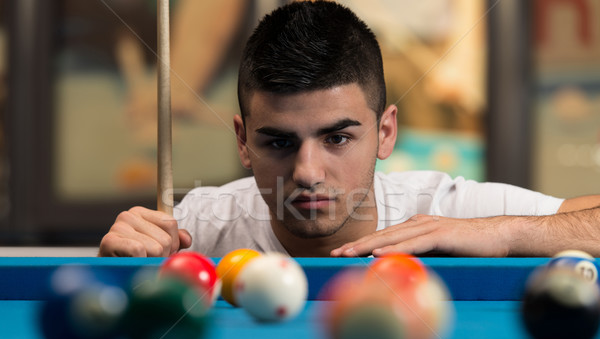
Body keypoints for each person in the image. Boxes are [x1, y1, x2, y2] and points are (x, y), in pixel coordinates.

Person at [99, 1, 600, 258]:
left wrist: (503, 232)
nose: (308, 172)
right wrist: (119, 264)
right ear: (242, 142)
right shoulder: (195, 229)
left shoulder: (440, 213)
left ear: (385, 132)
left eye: (337, 138)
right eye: (279, 141)